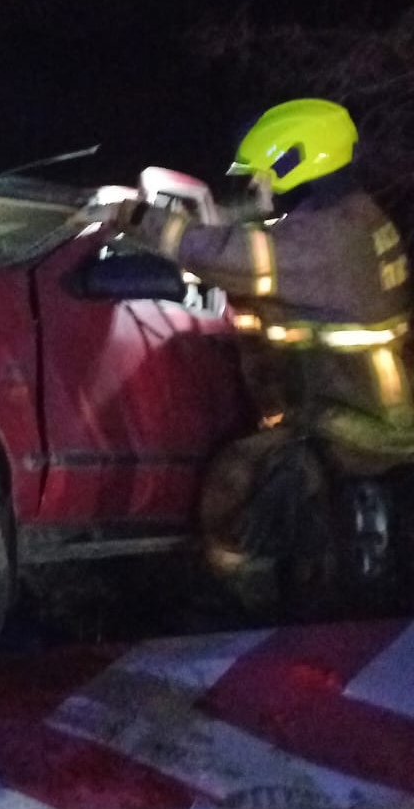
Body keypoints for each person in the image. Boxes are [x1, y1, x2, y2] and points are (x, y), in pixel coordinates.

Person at [113, 98, 414, 605]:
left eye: (262, 173)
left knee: (235, 483)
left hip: (356, 429)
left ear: (299, 163)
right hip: (364, 415)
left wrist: (135, 217)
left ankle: (249, 611)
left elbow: (228, 255)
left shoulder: (323, 237)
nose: (256, 186)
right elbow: (253, 252)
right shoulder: (350, 219)